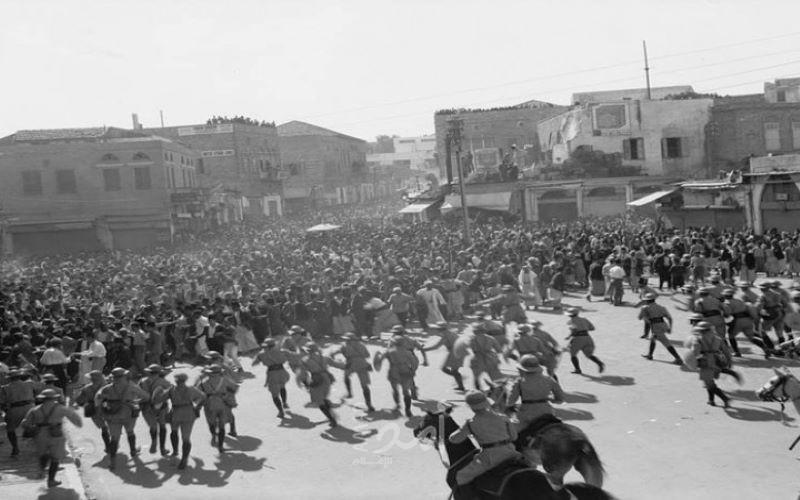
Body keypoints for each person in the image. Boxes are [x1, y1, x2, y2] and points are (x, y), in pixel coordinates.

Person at [448, 390, 522, 495]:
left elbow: (455, 440)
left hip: (489, 458)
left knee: (461, 476)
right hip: (511, 453)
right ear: (486, 402)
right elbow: (514, 437)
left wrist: (453, 435)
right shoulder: (503, 417)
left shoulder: (471, 423)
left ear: (470, 407)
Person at [20, 388, 82, 488]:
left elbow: (24, 423)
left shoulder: (35, 410)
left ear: (42, 399)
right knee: (55, 458)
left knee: (42, 454)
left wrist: (32, 427)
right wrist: (78, 424)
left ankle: (41, 470)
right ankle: (51, 480)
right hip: (56, 434)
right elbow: (74, 417)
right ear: (54, 398)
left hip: (40, 434)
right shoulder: (60, 408)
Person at [95, 367, 150, 470]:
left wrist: (103, 407)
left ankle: (113, 462)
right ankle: (133, 451)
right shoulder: (131, 387)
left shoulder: (107, 388)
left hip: (112, 416)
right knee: (130, 432)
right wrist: (136, 401)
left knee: (114, 438)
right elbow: (146, 396)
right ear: (124, 376)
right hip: (128, 414)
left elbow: (98, 398)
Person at [683, 321, 740, 408]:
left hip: (705, 363)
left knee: (709, 383)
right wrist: (730, 362)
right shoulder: (718, 339)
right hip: (717, 361)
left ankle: (725, 399)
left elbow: (695, 352)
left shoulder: (698, 339)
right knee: (710, 381)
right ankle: (711, 400)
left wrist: (691, 358)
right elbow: (727, 352)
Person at [159, 372, 205, 469]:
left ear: (176, 381)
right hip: (189, 413)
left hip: (175, 413)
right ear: (185, 380)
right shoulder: (191, 389)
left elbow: (160, 398)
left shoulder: (171, 390)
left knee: (174, 431)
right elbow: (203, 397)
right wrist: (197, 407)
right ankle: (184, 459)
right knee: (186, 437)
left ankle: (175, 451)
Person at [505, 354, 564, 429]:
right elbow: (560, 399)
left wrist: (511, 407)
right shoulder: (549, 379)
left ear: (522, 369)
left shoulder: (519, 382)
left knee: (514, 431)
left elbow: (510, 401)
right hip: (547, 412)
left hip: (527, 414)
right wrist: (550, 399)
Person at [196, 364, 239, 452]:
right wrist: (227, 395)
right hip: (222, 404)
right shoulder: (225, 380)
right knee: (222, 426)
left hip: (209, 405)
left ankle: (213, 435)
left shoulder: (204, 382)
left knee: (211, 423)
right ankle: (220, 446)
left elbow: (197, 393)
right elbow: (235, 388)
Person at [329, 332, 375, 412]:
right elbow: (367, 355)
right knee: (365, 386)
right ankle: (369, 405)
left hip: (351, 364)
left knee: (346, 377)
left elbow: (333, 353)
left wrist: (334, 358)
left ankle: (349, 393)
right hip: (362, 364)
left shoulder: (344, 346)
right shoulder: (361, 345)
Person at [296, 343, 337, 426]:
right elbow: (337, 364)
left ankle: (332, 419)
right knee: (324, 398)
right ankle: (332, 416)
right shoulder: (324, 357)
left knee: (320, 402)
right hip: (327, 379)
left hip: (317, 379)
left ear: (308, 351)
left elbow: (302, 374)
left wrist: (304, 383)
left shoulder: (305, 360)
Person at [376, 336, 417, 417]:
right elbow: (414, 363)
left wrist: (377, 356)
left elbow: (379, 360)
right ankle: (408, 410)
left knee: (395, 389)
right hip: (405, 371)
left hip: (393, 372)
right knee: (406, 391)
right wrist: (412, 371)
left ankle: (397, 404)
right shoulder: (407, 352)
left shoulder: (389, 351)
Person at [0, 369, 38, 456]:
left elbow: (2, 402)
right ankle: (40, 445)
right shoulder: (30, 383)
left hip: (15, 409)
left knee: (10, 430)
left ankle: (15, 448)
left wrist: (4, 411)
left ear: (9, 378)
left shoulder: (5, 388)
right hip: (30, 407)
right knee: (37, 426)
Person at [638, 293, 683, 365]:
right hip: (663, 325)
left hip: (655, 326)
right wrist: (670, 328)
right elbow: (670, 318)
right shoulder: (661, 307)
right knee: (653, 338)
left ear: (647, 300)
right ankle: (650, 355)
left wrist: (646, 318)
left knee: (665, 342)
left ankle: (678, 358)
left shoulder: (645, 308)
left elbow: (640, 317)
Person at [73, 370, 111, 453]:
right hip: (107, 408)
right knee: (112, 426)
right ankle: (113, 442)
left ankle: (108, 446)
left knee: (104, 428)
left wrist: (79, 403)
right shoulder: (108, 387)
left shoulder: (86, 388)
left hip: (94, 410)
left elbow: (79, 401)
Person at [252, 338, 291, 418]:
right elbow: (290, 357)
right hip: (283, 372)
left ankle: (281, 411)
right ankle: (284, 403)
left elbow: (254, 364)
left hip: (272, 374)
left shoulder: (262, 354)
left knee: (274, 394)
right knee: (282, 386)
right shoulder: (281, 351)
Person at [139, 364, 173, 455]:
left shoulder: (143, 381)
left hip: (146, 406)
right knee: (162, 426)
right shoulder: (163, 381)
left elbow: (138, 393)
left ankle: (154, 442)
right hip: (161, 406)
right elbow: (171, 391)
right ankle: (162, 448)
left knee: (152, 426)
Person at [423, 321, 466, 392]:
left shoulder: (445, 336)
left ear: (440, 329)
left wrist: (424, 349)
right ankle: (460, 385)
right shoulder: (451, 333)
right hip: (459, 350)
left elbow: (436, 347)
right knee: (454, 370)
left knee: (445, 369)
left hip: (455, 352)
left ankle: (459, 379)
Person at [565, 308, 605, 375]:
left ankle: (577, 369)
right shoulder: (584, 319)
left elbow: (574, 331)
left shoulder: (571, 321)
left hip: (578, 338)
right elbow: (592, 328)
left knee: (573, 354)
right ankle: (599, 362)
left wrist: (569, 337)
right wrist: (584, 328)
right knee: (588, 354)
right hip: (587, 338)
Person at [466, 323, 503, 390]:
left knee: (476, 378)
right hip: (490, 359)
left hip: (477, 359)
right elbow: (499, 350)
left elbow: (467, 349)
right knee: (496, 378)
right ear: (484, 330)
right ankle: (499, 391)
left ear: (475, 331)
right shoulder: (491, 338)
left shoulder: (472, 339)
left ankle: (478, 392)